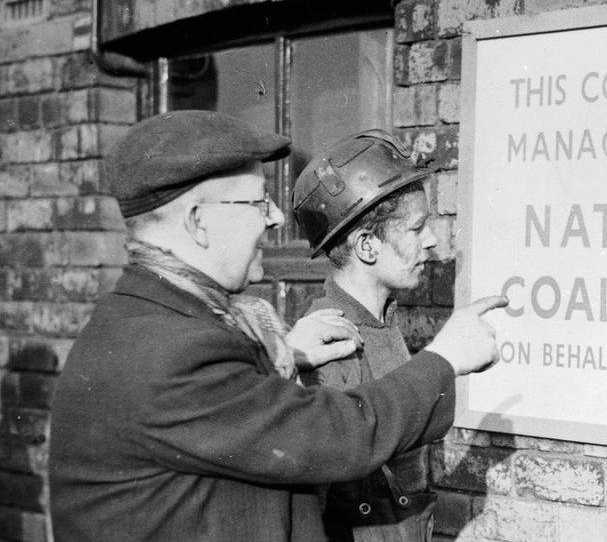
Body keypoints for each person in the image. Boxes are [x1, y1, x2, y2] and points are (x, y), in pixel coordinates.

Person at [48, 110, 506, 541]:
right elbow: (338, 436)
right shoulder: (173, 350)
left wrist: (282, 358)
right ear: (198, 222)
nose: (275, 217)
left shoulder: (157, 321)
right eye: (256, 202)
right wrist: (445, 358)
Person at [291, 130, 441, 541]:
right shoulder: (333, 337)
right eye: (417, 227)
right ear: (367, 246)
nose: (432, 242)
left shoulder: (381, 319)